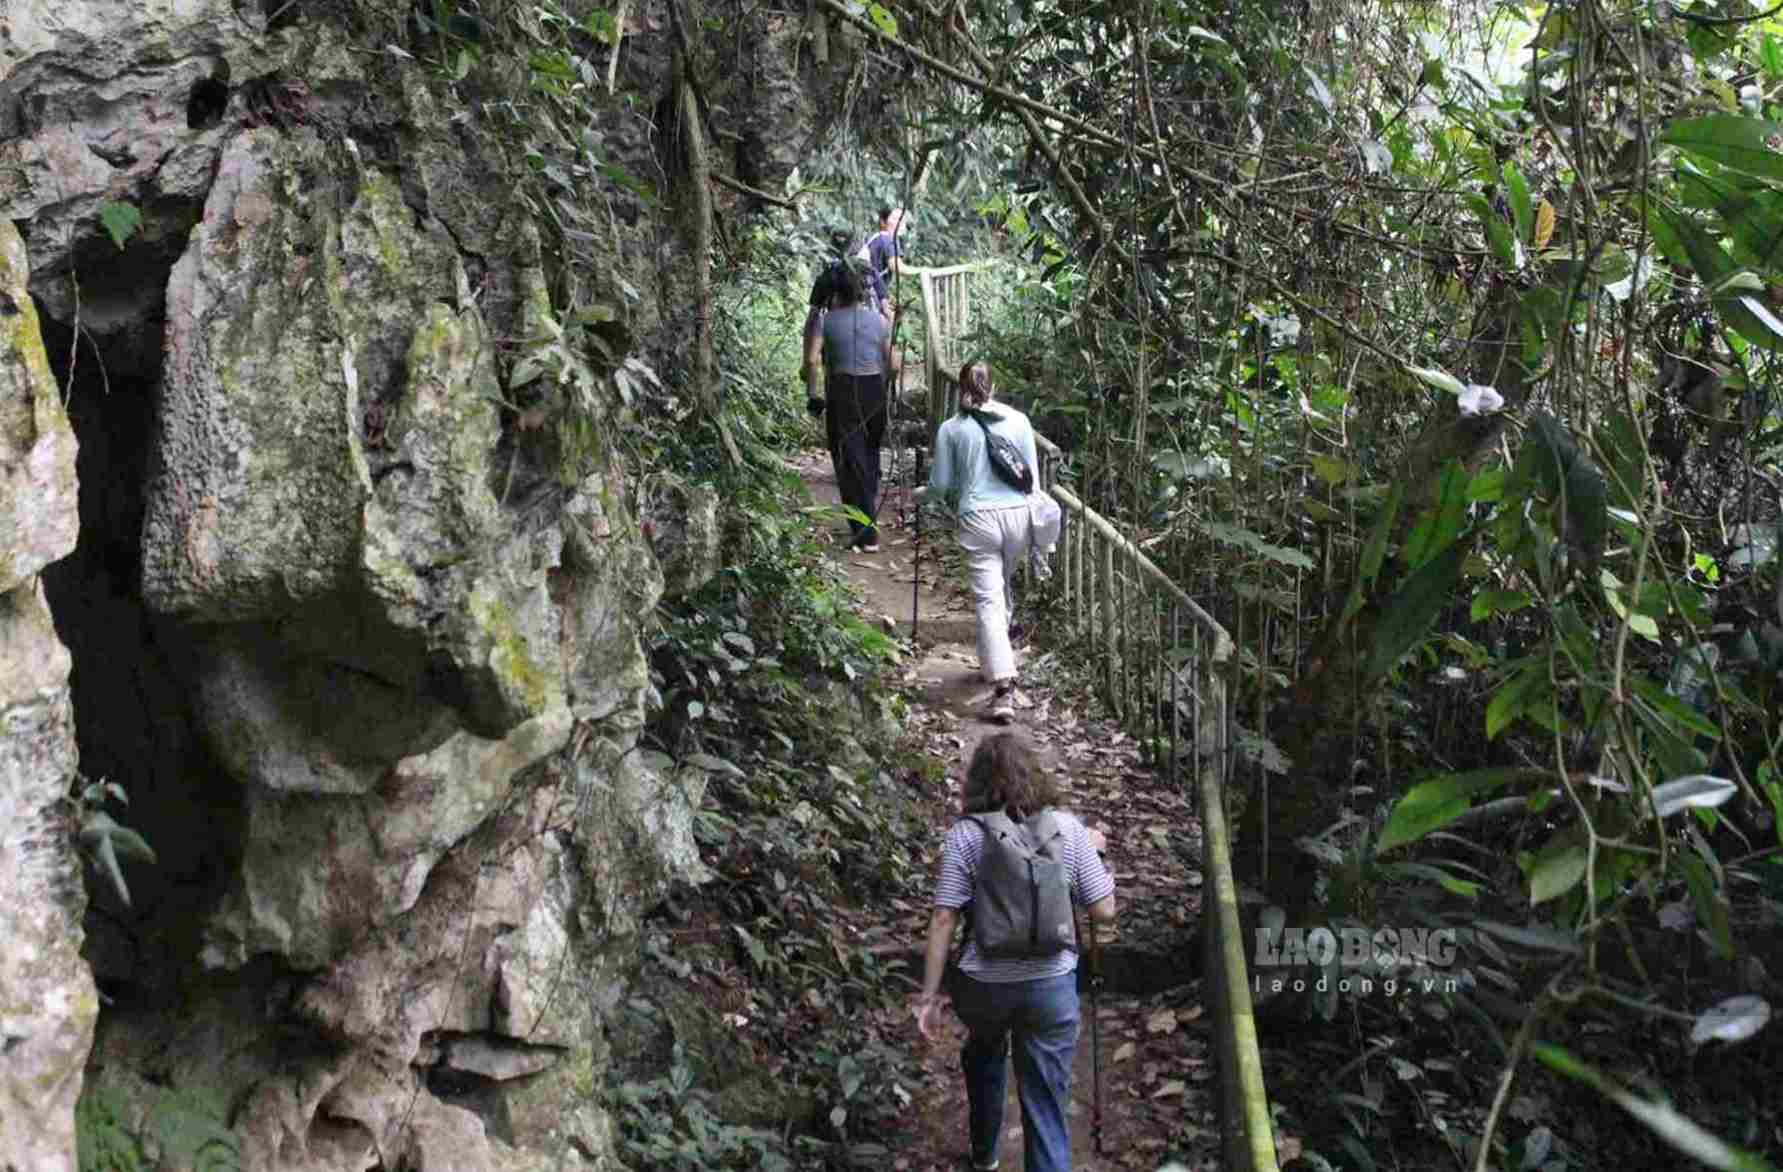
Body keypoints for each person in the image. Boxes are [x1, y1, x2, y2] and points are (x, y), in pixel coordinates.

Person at [914, 732, 1116, 1172]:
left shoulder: (965, 836)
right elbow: (1103, 911)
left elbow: (944, 918)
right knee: (1045, 1097)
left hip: (982, 987)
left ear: (977, 783)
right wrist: (1097, 856)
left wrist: (929, 997)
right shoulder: (1069, 829)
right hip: (1050, 984)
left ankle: (984, 1154)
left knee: (983, 1051)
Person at [914, 360, 1040, 723]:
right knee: (1000, 591)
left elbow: (940, 487)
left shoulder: (952, 429)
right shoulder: (1019, 421)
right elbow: (1030, 479)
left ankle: (1003, 688)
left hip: (978, 520)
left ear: (959, 387)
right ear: (994, 386)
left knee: (988, 598)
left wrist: (919, 494)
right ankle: (991, 665)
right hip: (1018, 517)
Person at [807, 261, 899, 553]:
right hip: (874, 388)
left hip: (843, 390)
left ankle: (865, 532)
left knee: (849, 460)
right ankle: (866, 514)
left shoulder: (826, 321)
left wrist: (814, 393)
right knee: (869, 454)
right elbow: (894, 363)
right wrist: (885, 383)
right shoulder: (879, 321)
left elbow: (811, 361)